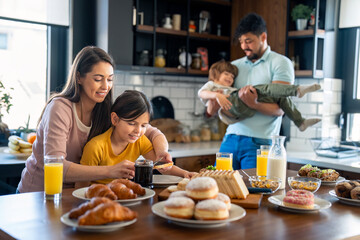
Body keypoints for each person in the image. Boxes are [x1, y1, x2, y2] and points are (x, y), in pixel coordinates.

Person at [17, 46, 172, 193]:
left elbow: (152, 132)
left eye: (110, 79)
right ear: (79, 77)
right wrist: (111, 170)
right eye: (98, 79)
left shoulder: (106, 111)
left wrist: (162, 152)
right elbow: (57, 166)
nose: (106, 86)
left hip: (75, 194)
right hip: (38, 194)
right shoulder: (60, 108)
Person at [208, 13, 298, 170]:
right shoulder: (233, 67)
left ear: (263, 37)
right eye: (241, 42)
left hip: (260, 142)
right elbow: (214, 106)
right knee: (220, 187)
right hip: (230, 138)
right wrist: (214, 98)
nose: (243, 46)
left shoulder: (280, 63)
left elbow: (280, 109)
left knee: (253, 191)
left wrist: (254, 104)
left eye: (248, 41)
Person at [77, 90, 196, 186]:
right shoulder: (95, 147)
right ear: (115, 119)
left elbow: (161, 165)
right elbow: (81, 186)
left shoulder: (139, 141)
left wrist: (185, 174)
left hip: (125, 196)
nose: (138, 131)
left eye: (144, 125)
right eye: (132, 123)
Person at [198, 60, 321, 131]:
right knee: (259, 88)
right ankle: (297, 90)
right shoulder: (212, 85)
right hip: (231, 106)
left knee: (280, 97)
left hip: (244, 110)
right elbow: (201, 93)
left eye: (232, 76)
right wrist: (216, 96)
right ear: (215, 74)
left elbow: (279, 111)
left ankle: (300, 122)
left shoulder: (230, 88)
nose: (230, 78)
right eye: (226, 74)